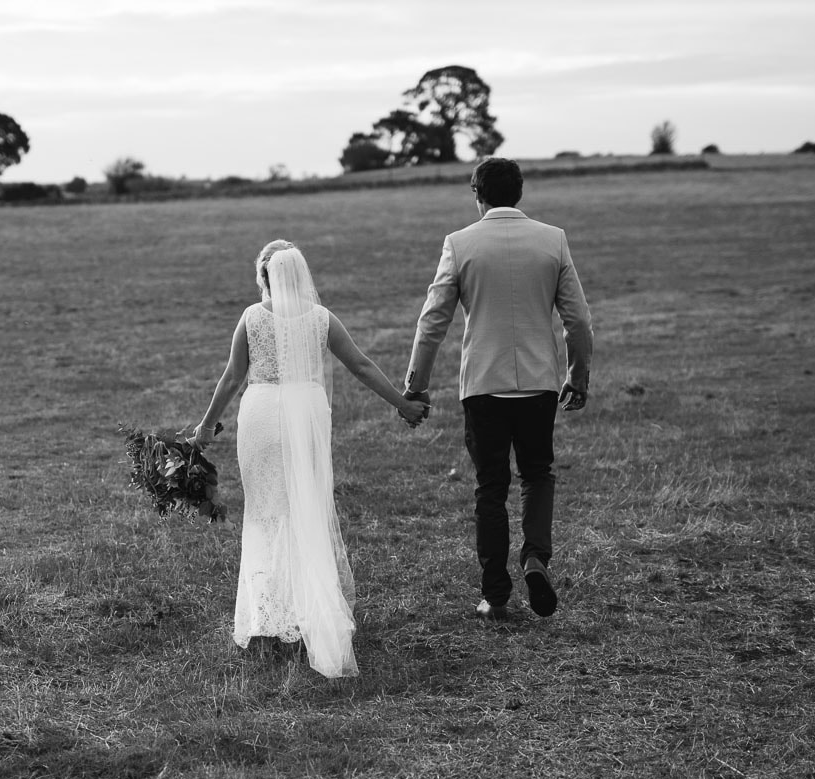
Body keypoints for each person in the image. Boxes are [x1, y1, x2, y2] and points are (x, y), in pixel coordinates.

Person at [191, 240, 430, 678]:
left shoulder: (252, 317)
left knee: (264, 513)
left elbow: (231, 377)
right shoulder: (321, 318)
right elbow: (360, 364)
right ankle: (306, 612)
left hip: (261, 416)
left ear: (264, 277)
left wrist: (206, 427)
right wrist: (402, 403)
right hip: (306, 417)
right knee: (305, 509)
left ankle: (267, 616)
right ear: (301, 275)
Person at [403, 157, 594, 621]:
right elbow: (578, 321)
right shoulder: (553, 240)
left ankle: (496, 593)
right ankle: (535, 557)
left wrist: (417, 385)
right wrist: (578, 375)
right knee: (537, 473)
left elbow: (432, 322)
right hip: (539, 383)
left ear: (477, 193)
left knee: (491, 487)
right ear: (520, 192)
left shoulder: (460, 243)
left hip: (483, 387)